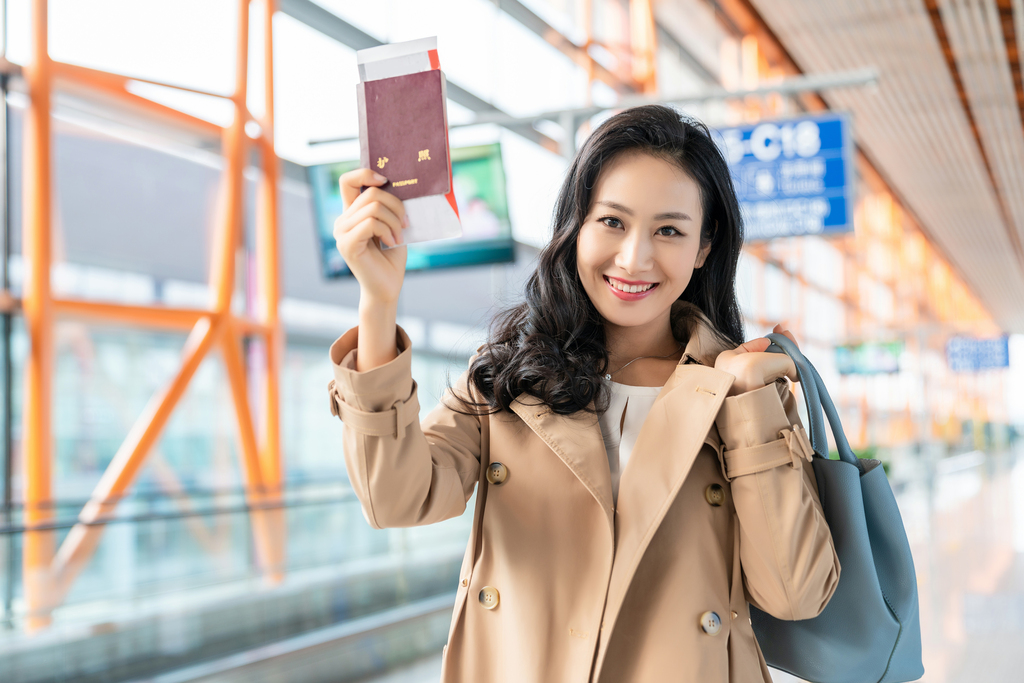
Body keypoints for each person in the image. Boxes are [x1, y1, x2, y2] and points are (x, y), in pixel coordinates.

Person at [327, 105, 840, 683]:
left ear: (703, 247)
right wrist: (377, 303)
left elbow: (794, 594)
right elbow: (395, 499)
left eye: (668, 230)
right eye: (612, 222)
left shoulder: (742, 391)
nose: (634, 258)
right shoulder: (506, 377)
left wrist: (750, 409)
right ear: (576, 225)